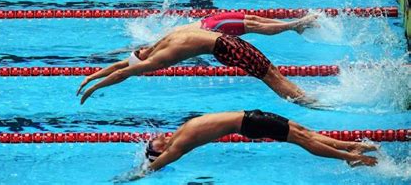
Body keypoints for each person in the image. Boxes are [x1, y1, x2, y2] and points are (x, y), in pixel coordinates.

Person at [77, 28, 315, 106]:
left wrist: (94, 88)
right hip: (229, 42)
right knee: (271, 72)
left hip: (227, 49)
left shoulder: (160, 58)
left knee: (270, 78)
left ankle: (307, 101)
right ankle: (305, 97)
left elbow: (123, 72)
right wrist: (91, 77)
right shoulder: (158, 43)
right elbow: (124, 64)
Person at [128, 110, 378, 179]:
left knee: (304, 131)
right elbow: (160, 163)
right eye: (154, 141)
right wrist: (139, 173)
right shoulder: (178, 146)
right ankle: (350, 157)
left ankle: (349, 147)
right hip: (250, 124)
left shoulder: (177, 135)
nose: (156, 135)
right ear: (159, 150)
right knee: (302, 140)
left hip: (251, 116)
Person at [177, 11, 319, 36]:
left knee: (252, 19)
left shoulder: (159, 39)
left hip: (206, 22)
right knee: (252, 26)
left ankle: (295, 26)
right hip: (209, 28)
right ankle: (295, 25)